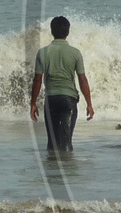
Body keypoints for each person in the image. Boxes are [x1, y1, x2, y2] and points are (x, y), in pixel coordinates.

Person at [29, 15, 94, 153]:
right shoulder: (75, 53)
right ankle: (67, 169)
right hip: (68, 100)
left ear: (52, 31)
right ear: (68, 32)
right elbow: (82, 80)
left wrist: (33, 103)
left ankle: (52, 171)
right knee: (66, 141)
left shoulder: (42, 53)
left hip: (51, 100)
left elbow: (37, 80)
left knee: (52, 142)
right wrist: (89, 103)